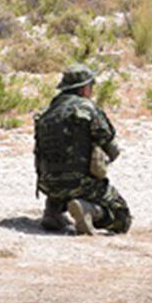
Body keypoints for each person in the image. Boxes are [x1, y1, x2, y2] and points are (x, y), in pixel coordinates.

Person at [32, 64, 131, 235]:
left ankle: (53, 210)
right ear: (85, 88)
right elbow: (112, 149)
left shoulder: (47, 112)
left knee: (62, 175)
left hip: (48, 185)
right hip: (81, 184)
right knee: (122, 218)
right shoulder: (87, 108)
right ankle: (89, 210)